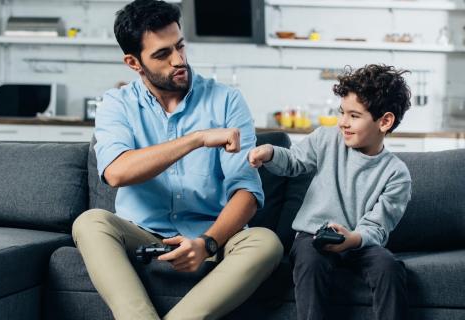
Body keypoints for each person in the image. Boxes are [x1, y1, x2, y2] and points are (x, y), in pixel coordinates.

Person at [71, 1, 283, 320]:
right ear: (133, 62)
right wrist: (196, 139)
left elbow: (247, 193)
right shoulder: (116, 104)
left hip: (213, 237)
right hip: (142, 234)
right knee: (90, 222)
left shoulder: (227, 101)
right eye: (162, 54)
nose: (178, 60)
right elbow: (116, 172)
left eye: (180, 46)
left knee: (266, 242)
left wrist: (207, 244)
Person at [248, 64, 413, 320]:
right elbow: (294, 162)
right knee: (310, 263)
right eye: (342, 112)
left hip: (360, 242)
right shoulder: (326, 138)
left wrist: (353, 239)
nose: (343, 123)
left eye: (354, 116)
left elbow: (378, 226)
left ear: (385, 121)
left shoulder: (396, 174)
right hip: (314, 236)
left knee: (388, 267)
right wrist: (270, 153)